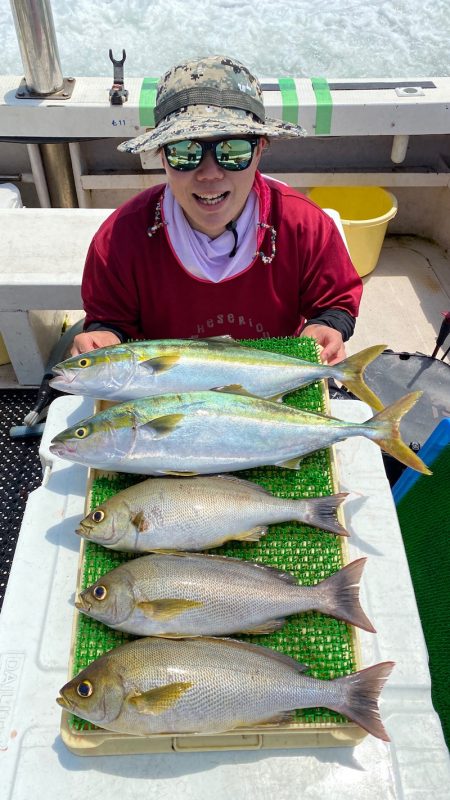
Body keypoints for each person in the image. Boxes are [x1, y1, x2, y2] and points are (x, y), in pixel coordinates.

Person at [72, 55, 362, 365]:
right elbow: (111, 320)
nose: (209, 174)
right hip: (168, 385)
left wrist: (326, 326)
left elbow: (335, 302)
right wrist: (104, 337)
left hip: (273, 379)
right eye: (185, 151)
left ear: (260, 148)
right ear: (161, 156)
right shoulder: (120, 238)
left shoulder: (303, 225)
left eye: (233, 150)